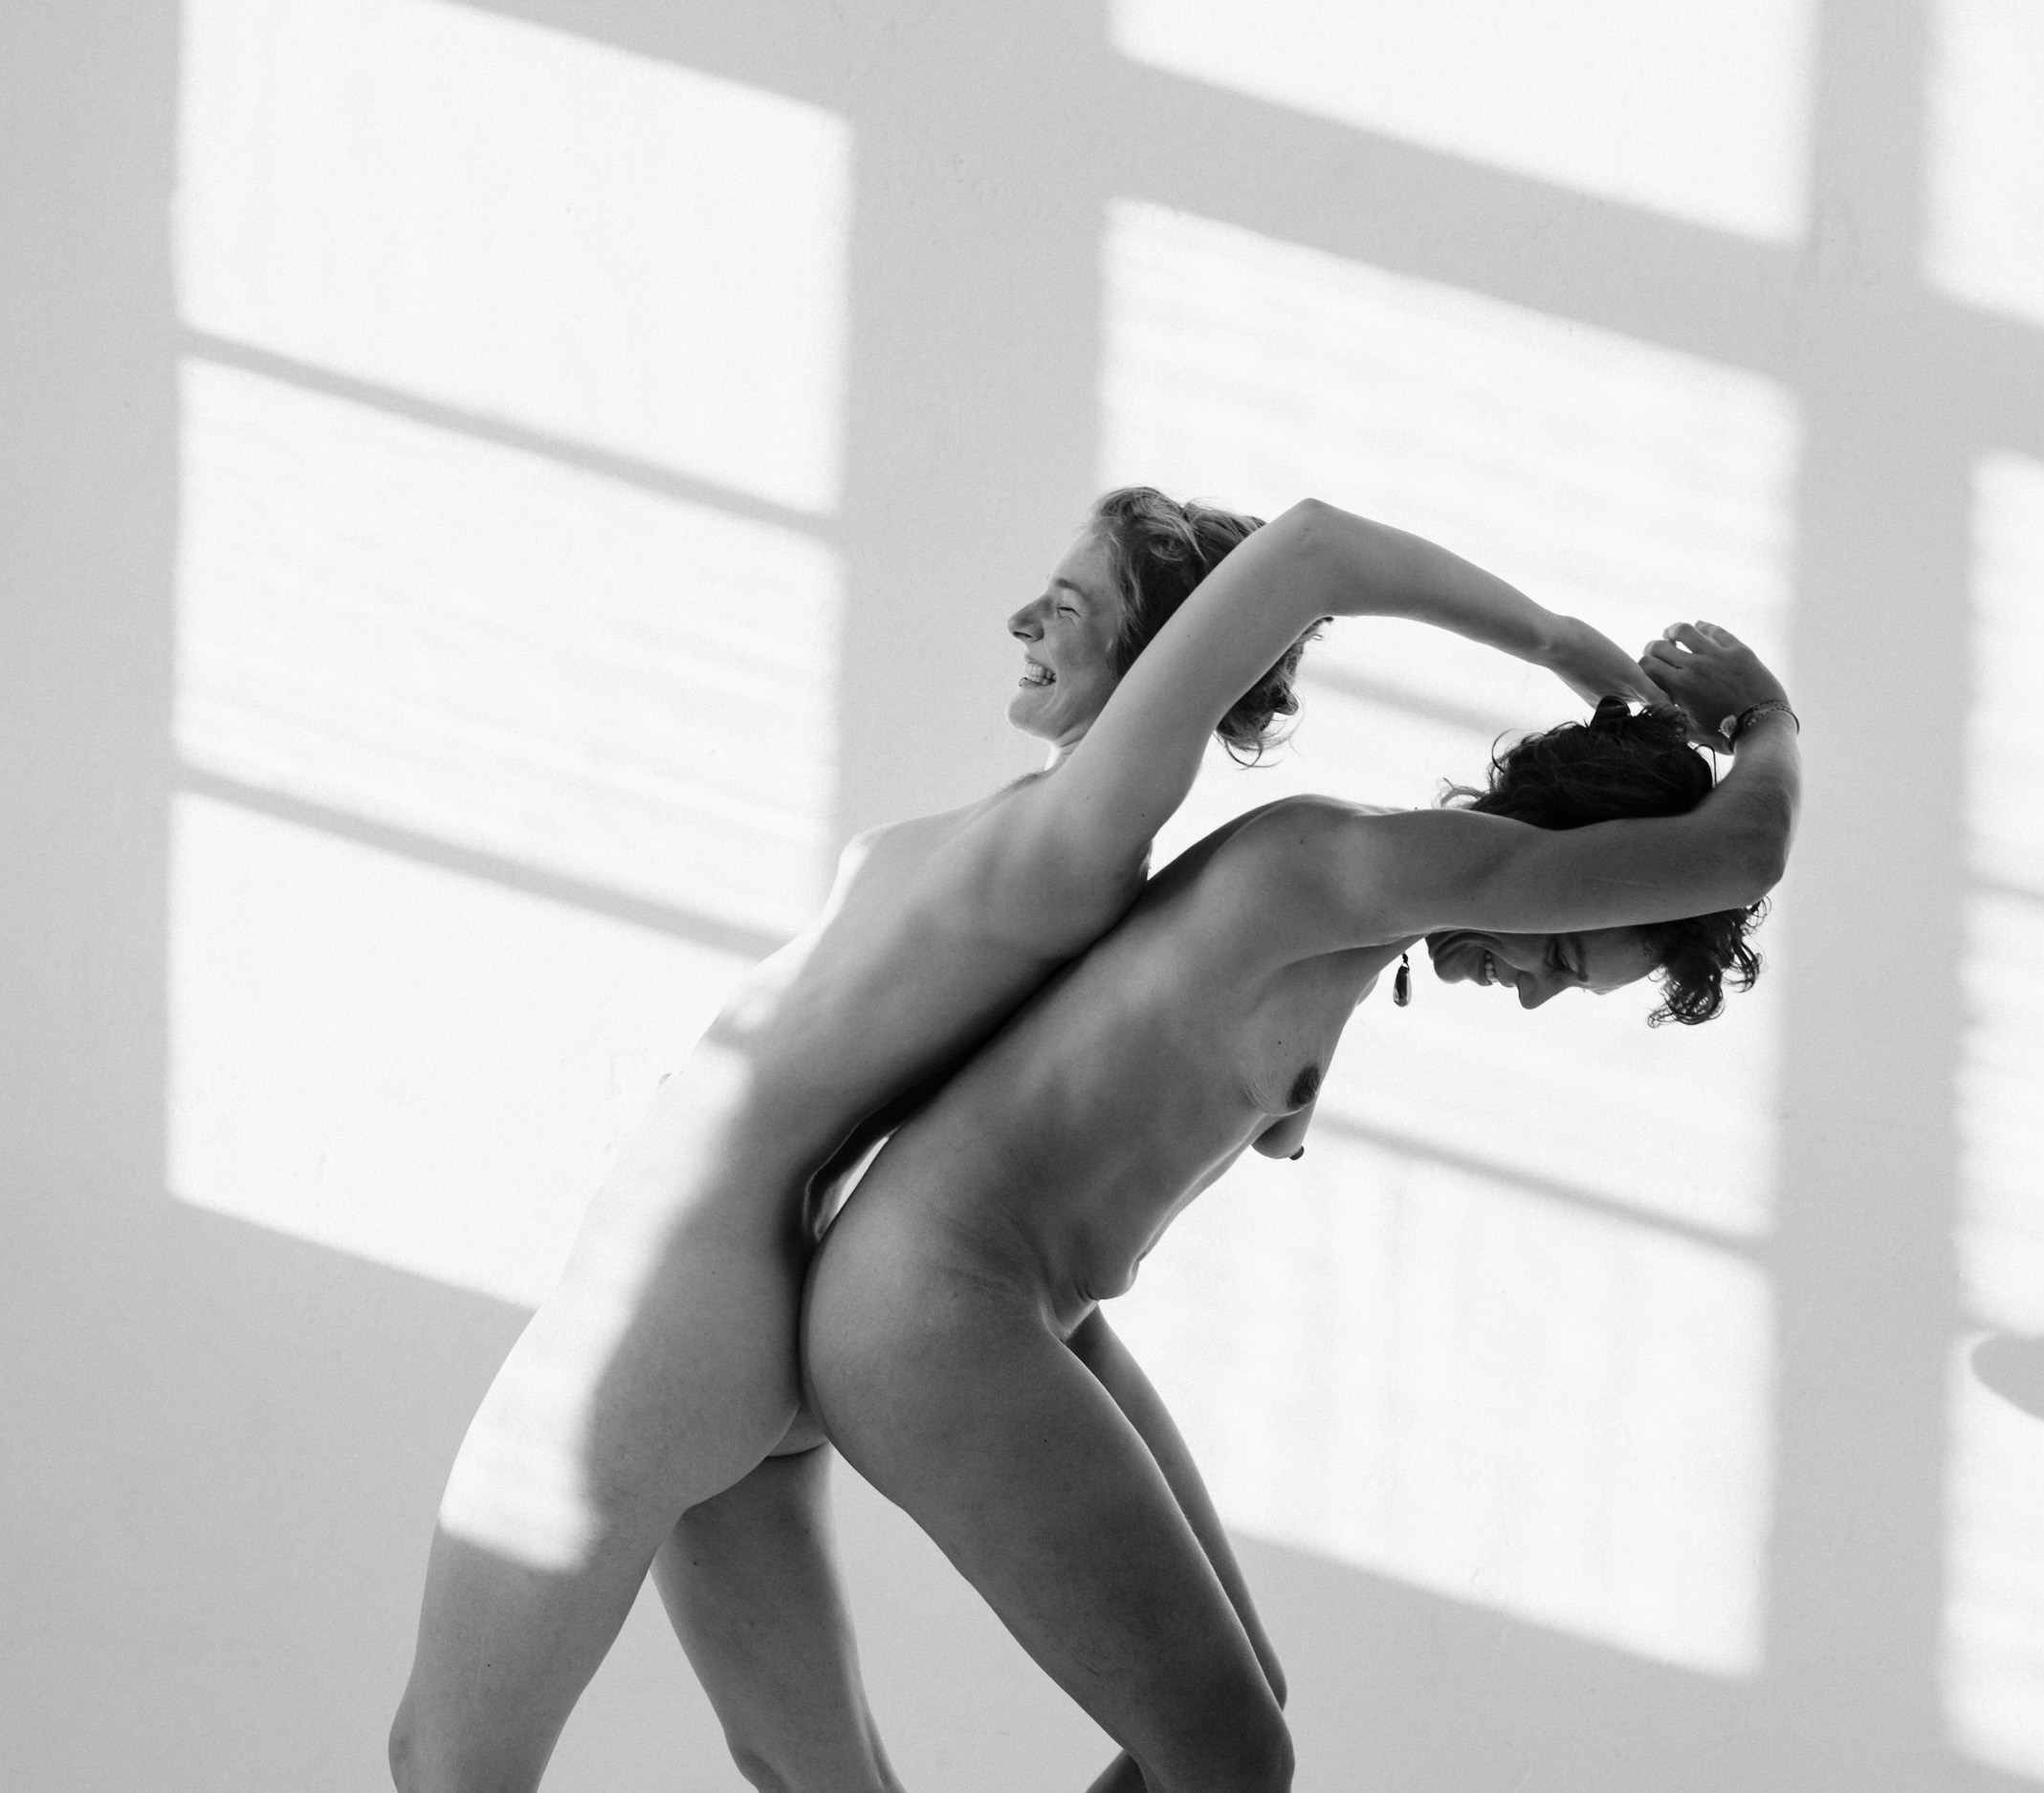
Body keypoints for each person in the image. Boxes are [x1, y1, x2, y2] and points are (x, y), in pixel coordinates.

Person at [389, 490, 1667, 1793]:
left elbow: (1315, 549)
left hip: (672, 1288)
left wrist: (1561, 642)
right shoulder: (1079, 846)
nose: (1021, 622)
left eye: (1066, 607)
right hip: (763, 1300)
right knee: (805, 1771)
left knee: (445, 1763)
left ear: (1166, 658)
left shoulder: (1086, 831)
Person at [794, 612, 1798, 1793]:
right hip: (934, 1301)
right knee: (1231, 1756)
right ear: (1557, 855)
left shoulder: (1368, 918)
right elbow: (1744, 852)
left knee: (1235, 1722)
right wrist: (1764, 720)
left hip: (1029, 1307)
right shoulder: (1348, 862)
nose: (1533, 994)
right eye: (1565, 957)